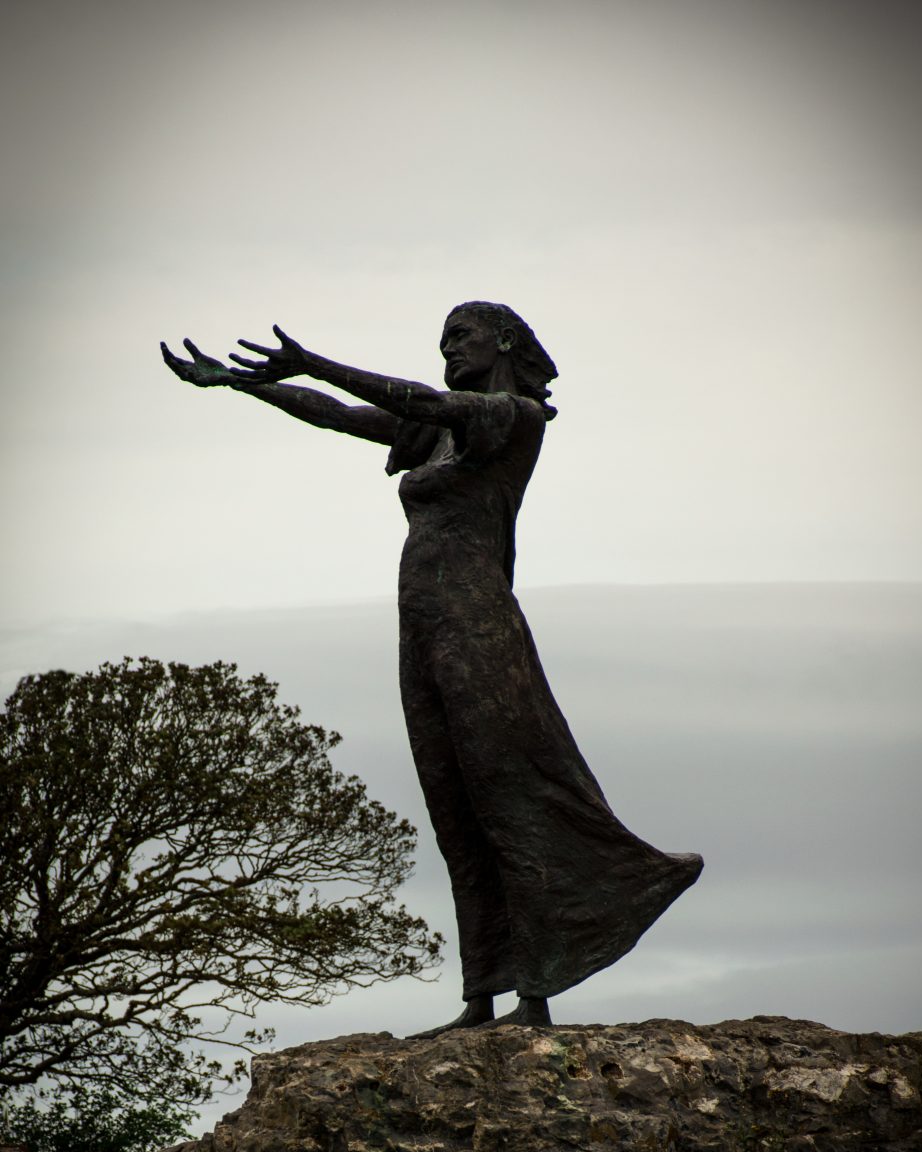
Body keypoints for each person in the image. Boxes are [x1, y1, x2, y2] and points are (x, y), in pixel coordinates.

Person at [161, 302, 703, 1033]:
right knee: (455, 812)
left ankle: (535, 995)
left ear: (504, 342)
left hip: (481, 634)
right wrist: (238, 384)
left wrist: (313, 357)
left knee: (507, 800)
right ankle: (481, 993)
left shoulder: (511, 419)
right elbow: (338, 415)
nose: (447, 349)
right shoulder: (445, 435)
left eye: (460, 336)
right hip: (423, 631)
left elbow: (410, 397)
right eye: (441, 340)